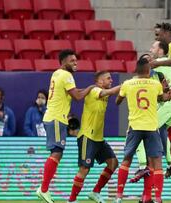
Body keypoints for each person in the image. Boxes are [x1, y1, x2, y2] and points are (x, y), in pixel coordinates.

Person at [36, 49, 95, 203]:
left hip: (53, 117)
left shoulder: (57, 73)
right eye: (72, 61)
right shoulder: (67, 75)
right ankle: (43, 189)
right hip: (56, 118)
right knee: (56, 153)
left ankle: (44, 189)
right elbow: (77, 96)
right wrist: (91, 88)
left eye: (76, 60)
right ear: (63, 62)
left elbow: (73, 92)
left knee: (57, 153)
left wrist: (87, 90)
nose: (75, 63)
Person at [114, 57, 171, 203]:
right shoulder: (155, 84)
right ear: (148, 70)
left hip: (135, 127)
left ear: (136, 69)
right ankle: (158, 198)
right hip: (151, 127)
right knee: (156, 162)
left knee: (126, 160)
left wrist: (125, 95)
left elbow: (117, 101)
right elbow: (161, 99)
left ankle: (119, 196)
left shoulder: (128, 84)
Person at [131, 41, 171, 186]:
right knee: (161, 130)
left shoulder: (158, 65)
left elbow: (166, 92)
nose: (151, 49)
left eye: (153, 47)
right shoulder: (168, 66)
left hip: (167, 104)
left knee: (139, 130)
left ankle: (142, 166)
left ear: (160, 51)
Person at [68, 71, 121, 203]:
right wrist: (126, 85)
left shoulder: (103, 91)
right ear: (100, 81)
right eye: (108, 78)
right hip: (87, 136)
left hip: (98, 138)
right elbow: (107, 92)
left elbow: (116, 95)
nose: (111, 81)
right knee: (84, 169)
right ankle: (71, 200)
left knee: (113, 163)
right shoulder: (94, 91)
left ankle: (95, 191)